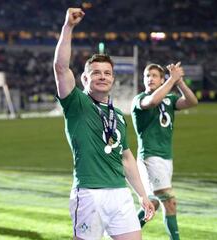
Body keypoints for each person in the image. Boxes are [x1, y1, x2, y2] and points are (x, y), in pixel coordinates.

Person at [53, 8, 155, 240]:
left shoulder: (118, 115)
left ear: (113, 79)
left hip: (119, 193)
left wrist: (142, 194)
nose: (102, 76)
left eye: (107, 73)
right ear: (85, 79)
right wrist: (68, 27)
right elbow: (60, 68)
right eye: (96, 73)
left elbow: (127, 158)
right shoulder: (76, 103)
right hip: (90, 193)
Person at [131, 63, 198, 240]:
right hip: (150, 157)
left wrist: (180, 82)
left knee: (153, 203)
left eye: (154, 76)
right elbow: (152, 101)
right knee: (170, 201)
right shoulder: (140, 99)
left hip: (166, 157)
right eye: (147, 75)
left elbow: (192, 101)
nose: (150, 78)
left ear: (161, 80)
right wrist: (171, 80)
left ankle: (121, 234)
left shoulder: (169, 99)